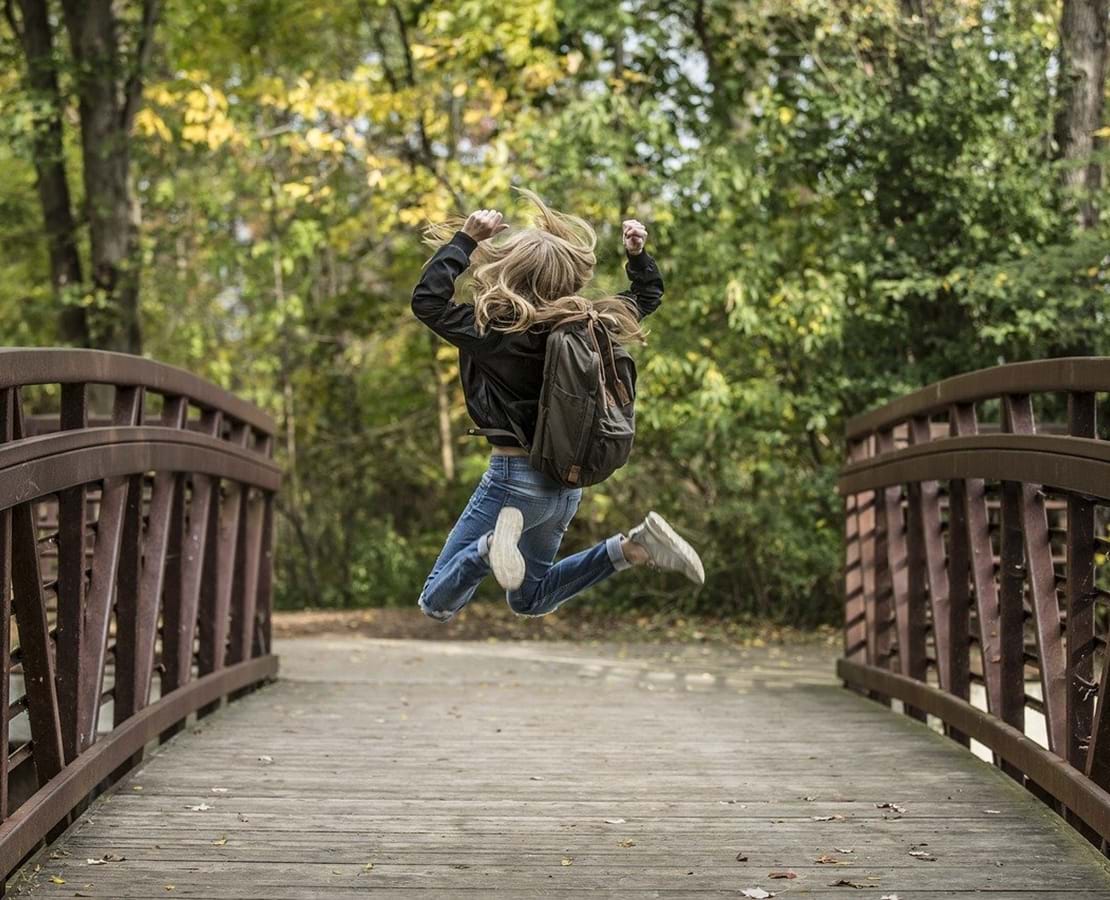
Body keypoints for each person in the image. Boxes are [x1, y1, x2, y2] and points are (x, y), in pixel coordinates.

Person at [412, 188, 704, 623]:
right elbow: (645, 297)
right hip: (565, 486)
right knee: (530, 598)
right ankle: (633, 548)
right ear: (567, 276)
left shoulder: (493, 330)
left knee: (436, 603)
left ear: (510, 270)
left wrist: (466, 240)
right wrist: (637, 257)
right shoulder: (591, 325)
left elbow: (428, 302)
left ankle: (489, 548)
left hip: (513, 482)